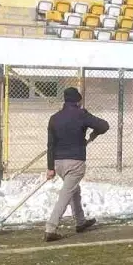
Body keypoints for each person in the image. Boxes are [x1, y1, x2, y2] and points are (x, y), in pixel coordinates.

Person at [44, 87, 110, 242]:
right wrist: (93, 134)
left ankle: (80, 222)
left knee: (74, 190)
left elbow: (50, 145)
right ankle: (50, 228)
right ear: (78, 101)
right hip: (75, 163)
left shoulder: (54, 118)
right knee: (66, 194)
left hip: (59, 163)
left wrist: (50, 168)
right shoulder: (82, 114)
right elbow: (104, 126)